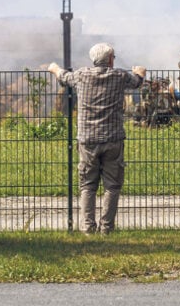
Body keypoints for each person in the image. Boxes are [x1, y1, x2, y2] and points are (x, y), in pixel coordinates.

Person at [48, 43, 145, 235]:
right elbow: (137, 81)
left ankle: (87, 228)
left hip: (87, 139)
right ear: (110, 60)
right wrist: (140, 72)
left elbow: (63, 77)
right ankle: (106, 229)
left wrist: (54, 68)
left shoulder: (81, 75)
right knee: (112, 185)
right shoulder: (119, 76)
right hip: (113, 139)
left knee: (87, 185)